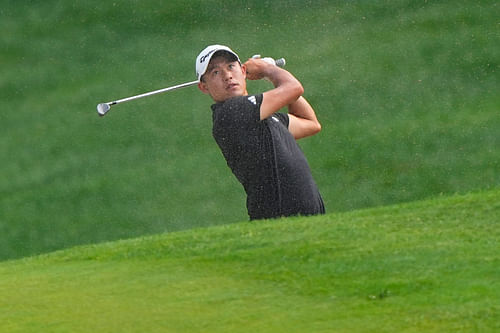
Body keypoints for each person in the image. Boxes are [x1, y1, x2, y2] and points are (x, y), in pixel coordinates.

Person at [196, 44, 325, 220]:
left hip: (300, 217)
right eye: (215, 72)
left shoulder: (263, 117)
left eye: (231, 67)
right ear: (204, 87)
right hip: (280, 218)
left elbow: (310, 123)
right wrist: (267, 69)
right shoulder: (231, 112)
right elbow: (294, 88)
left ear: (243, 71)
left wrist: (273, 76)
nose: (227, 76)